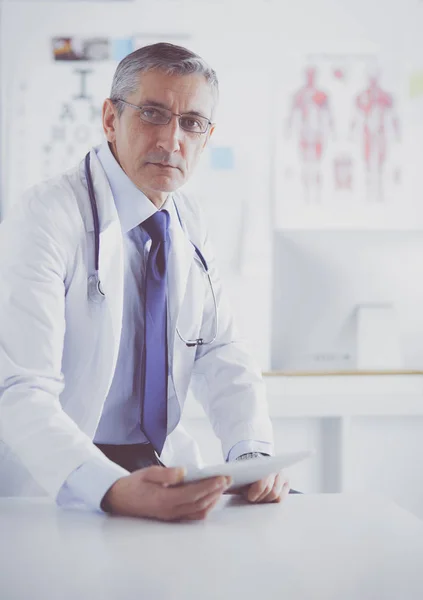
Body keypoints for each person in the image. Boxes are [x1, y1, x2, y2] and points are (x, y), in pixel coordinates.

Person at [0, 43, 290, 521]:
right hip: (59, 483)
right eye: (153, 114)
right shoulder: (47, 216)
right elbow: (21, 388)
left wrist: (250, 454)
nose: (172, 139)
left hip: (160, 469)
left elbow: (221, 351)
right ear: (111, 119)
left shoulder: (190, 221)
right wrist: (110, 488)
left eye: (192, 123)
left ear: (206, 135)